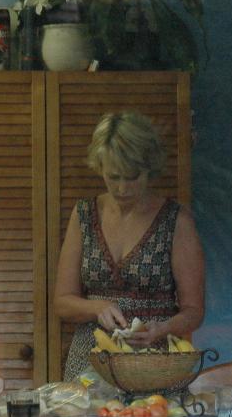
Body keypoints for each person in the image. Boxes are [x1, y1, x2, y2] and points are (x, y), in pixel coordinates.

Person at [53, 110, 205, 381]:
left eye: (132, 177)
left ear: (149, 169)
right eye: (113, 177)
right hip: (91, 359)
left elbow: (194, 311)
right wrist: (96, 307)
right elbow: (62, 302)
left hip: (154, 360)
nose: (122, 188)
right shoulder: (84, 214)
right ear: (99, 167)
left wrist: (162, 328)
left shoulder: (175, 220)